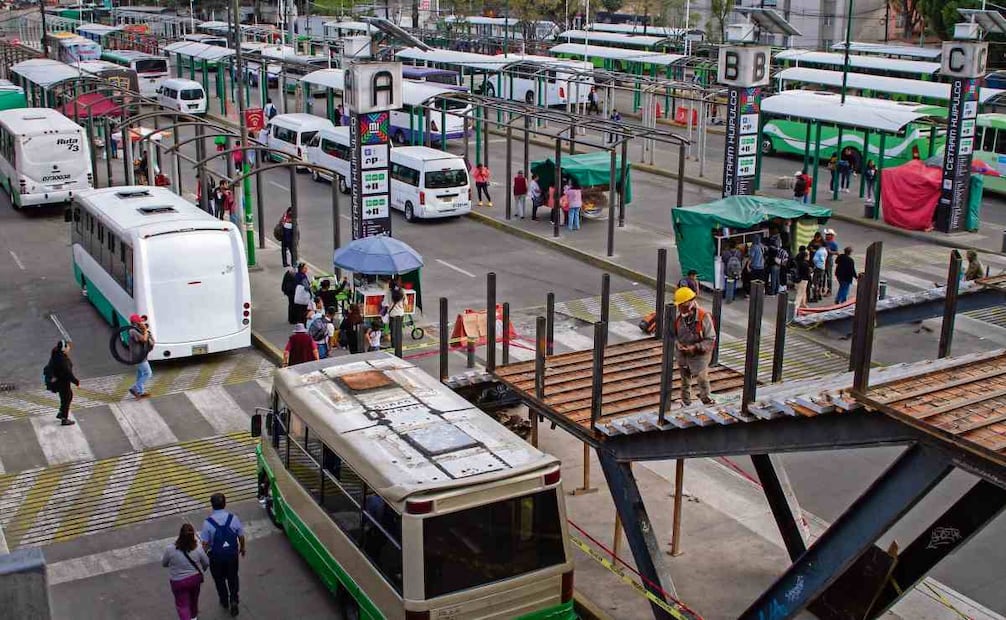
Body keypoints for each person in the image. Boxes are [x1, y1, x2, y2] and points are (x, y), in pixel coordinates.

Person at [201, 493, 245, 617]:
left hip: (216, 557)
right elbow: (241, 536)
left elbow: (205, 543)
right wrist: (242, 548)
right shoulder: (233, 518)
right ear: (225, 504)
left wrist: (207, 553)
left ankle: (224, 600)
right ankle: (234, 599)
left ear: (212, 505)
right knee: (233, 577)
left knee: (219, 579)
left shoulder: (207, 523)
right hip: (232, 555)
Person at [672, 287, 717, 407]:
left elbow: (710, 339)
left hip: (700, 354)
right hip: (683, 354)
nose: (679, 307)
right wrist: (678, 344)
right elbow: (672, 335)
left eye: (682, 305)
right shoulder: (677, 317)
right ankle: (685, 401)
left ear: (689, 303)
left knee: (702, 378)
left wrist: (695, 347)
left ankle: (706, 399)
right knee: (685, 379)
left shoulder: (703, 316)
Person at [162, 523, 210, 620]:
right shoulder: (198, 549)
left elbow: (164, 563)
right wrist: (202, 570)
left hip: (178, 581)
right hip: (195, 579)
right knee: (194, 599)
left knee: (182, 605)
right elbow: (206, 562)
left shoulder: (170, 549)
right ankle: (194, 617)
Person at [48, 340, 79, 426]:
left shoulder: (56, 355)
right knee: (66, 398)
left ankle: (61, 413)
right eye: (68, 346)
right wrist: (76, 381)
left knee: (66, 397)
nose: (69, 348)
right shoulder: (62, 360)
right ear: (63, 348)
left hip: (59, 381)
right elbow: (68, 373)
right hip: (63, 382)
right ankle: (64, 418)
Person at [128, 314, 154, 399]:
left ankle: (140, 391)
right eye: (139, 321)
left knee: (140, 374)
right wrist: (145, 330)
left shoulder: (135, 330)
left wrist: (144, 329)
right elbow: (144, 339)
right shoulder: (133, 331)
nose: (140, 322)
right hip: (139, 357)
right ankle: (134, 388)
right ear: (135, 322)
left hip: (140, 356)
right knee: (148, 373)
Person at [823, 228, 839, 296]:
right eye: (826, 234)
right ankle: (822, 288)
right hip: (823, 259)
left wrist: (830, 251)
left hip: (829, 260)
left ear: (831, 236)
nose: (826, 236)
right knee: (822, 275)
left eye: (828, 235)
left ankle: (829, 290)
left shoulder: (834, 244)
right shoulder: (824, 242)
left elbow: (837, 252)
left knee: (829, 276)